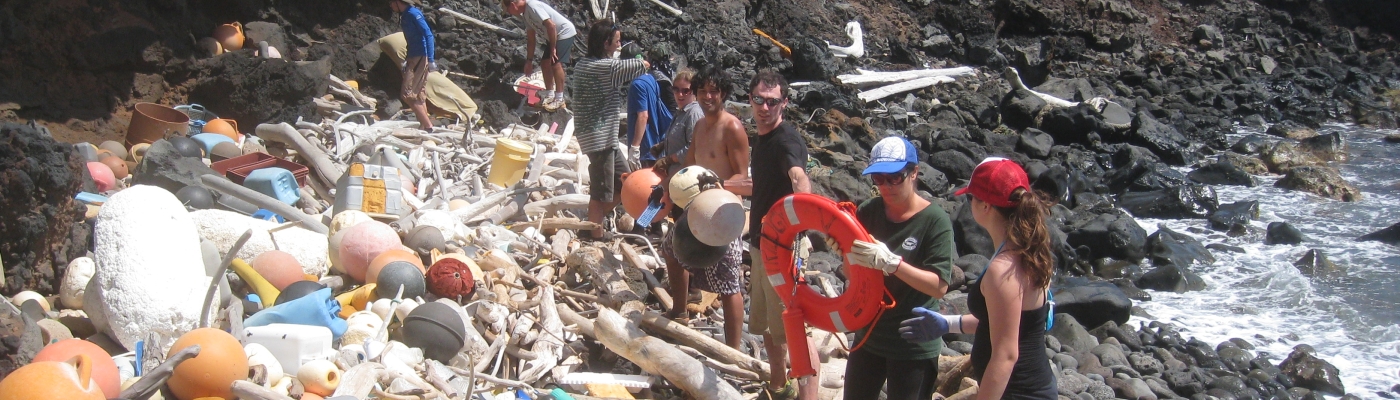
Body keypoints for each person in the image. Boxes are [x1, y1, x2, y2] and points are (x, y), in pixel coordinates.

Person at [900, 157, 1058, 400]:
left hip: (1019, 392)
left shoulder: (1003, 269)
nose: (968, 203)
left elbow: (1006, 356)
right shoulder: (1029, 249)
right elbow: (1008, 322)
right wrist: (949, 323)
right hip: (1030, 386)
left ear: (986, 206)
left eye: (970, 197)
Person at [842, 136, 957, 400]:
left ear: (914, 172)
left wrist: (892, 263)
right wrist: (846, 252)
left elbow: (939, 286)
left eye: (894, 178)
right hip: (870, 334)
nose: (885, 186)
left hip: (913, 342)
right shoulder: (869, 211)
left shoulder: (935, 221)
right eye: (878, 179)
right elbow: (850, 274)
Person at [738, 69, 818, 400]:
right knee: (770, 327)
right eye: (759, 100)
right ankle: (778, 385)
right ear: (750, 100)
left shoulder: (786, 139)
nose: (765, 107)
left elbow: (799, 178)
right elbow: (766, 184)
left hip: (783, 247)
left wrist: (799, 232)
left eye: (772, 102)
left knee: (795, 327)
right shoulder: (762, 137)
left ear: (784, 102)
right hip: (760, 243)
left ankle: (809, 396)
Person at [656, 67, 747, 351]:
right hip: (695, 208)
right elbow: (688, 167)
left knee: (730, 283)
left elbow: (744, 177)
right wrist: (668, 189)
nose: (708, 97)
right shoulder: (699, 126)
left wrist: (718, 187)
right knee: (670, 249)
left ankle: (733, 351)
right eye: (703, 91)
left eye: (714, 91)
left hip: (723, 212)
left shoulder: (732, 127)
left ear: (724, 94)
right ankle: (679, 309)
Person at [571, 20, 647, 240]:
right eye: (617, 41)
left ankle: (592, 222)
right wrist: (639, 56)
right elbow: (640, 66)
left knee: (627, 182)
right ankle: (593, 232)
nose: (619, 45)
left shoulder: (583, 64)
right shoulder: (607, 68)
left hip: (603, 138)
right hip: (600, 138)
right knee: (600, 192)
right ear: (606, 43)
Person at [502, 0, 577, 111]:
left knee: (555, 62)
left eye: (508, 10)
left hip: (564, 32)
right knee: (545, 64)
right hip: (553, 36)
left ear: (513, 5)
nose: (509, 13)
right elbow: (531, 40)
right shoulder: (525, 15)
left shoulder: (532, 6)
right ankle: (550, 96)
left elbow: (551, 25)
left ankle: (560, 99)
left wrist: (553, 49)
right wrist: (529, 61)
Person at [391, 0, 436, 130]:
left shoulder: (413, 13)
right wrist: (407, 58)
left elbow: (428, 34)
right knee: (419, 93)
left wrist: (431, 59)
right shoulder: (405, 15)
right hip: (413, 55)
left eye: (391, 3)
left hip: (420, 55)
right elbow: (411, 39)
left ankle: (428, 126)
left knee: (407, 94)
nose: (390, 6)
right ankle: (424, 126)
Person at [625, 50, 674, 169]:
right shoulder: (651, 80)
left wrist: (635, 147)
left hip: (644, 146)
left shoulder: (637, 84)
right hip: (654, 141)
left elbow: (643, 116)